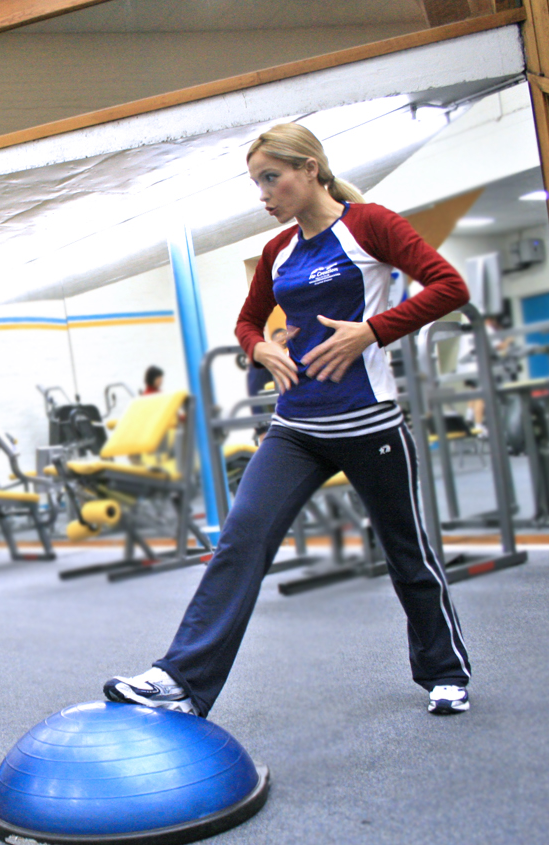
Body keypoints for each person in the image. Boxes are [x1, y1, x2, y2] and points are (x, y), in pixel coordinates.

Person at [104, 123, 472, 720]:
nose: (263, 195)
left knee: (406, 549)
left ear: (310, 169)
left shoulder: (369, 224)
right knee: (241, 541)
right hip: (296, 428)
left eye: (271, 179)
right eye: (257, 183)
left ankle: (444, 671)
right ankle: (182, 680)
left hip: (369, 422)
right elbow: (247, 322)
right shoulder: (278, 252)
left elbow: (448, 286)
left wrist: (372, 331)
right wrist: (260, 348)